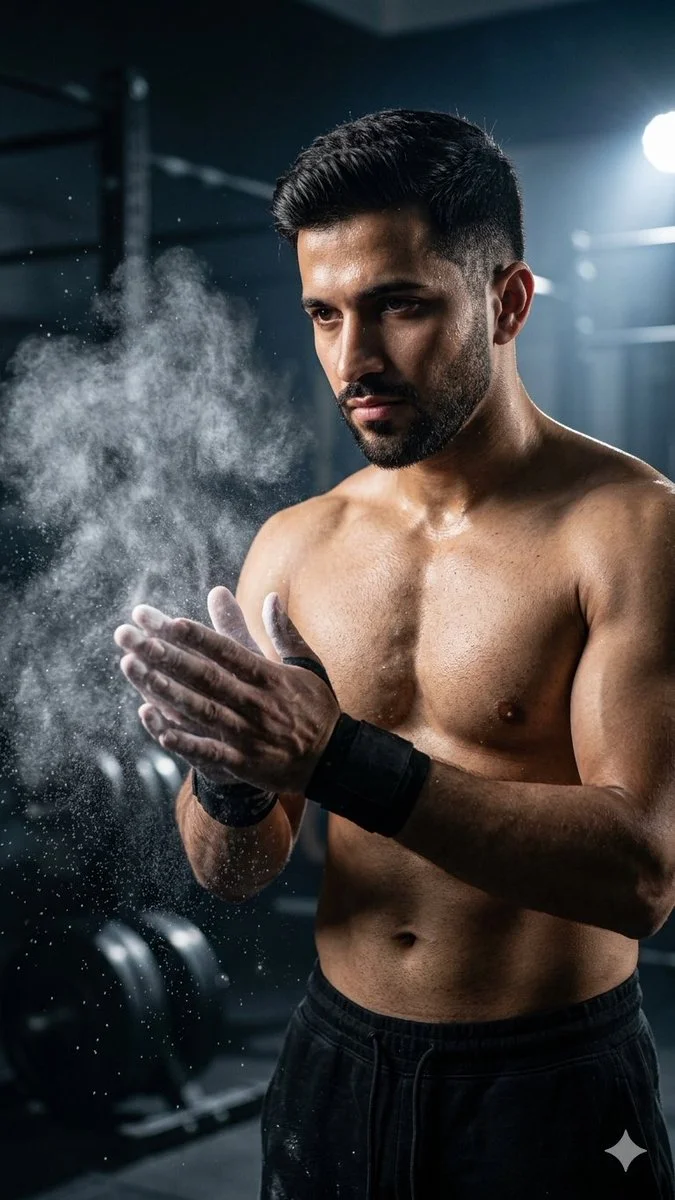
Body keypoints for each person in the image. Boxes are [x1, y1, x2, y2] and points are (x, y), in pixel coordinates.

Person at [114, 109, 675, 1199]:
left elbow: (645, 874)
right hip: (336, 1058)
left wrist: (335, 760)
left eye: (400, 305)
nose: (354, 358)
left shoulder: (630, 529)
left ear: (507, 301)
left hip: (549, 1083)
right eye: (324, 314)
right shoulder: (296, 544)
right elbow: (234, 876)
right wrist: (231, 782)